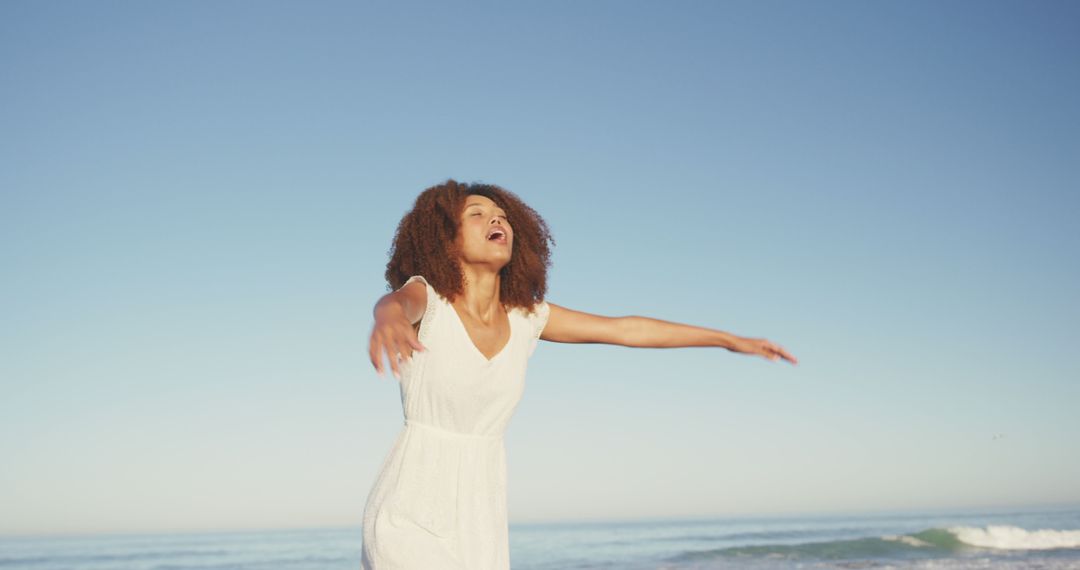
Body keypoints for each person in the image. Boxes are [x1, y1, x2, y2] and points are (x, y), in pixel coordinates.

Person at [360, 179, 797, 570]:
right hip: (412, 499)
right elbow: (397, 303)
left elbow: (626, 329)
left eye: (501, 216)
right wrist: (388, 319)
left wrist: (727, 339)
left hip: (481, 507)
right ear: (445, 240)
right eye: (476, 215)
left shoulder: (527, 317)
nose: (496, 220)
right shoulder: (429, 300)